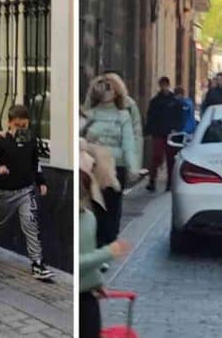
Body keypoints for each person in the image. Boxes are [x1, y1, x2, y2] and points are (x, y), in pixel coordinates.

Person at [0, 105, 53, 280]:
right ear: (9, 124)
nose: (21, 129)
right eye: (17, 125)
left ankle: (37, 263)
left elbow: (35, 162)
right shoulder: (0, 141)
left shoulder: (31, 141)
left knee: (30, 224)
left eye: (24, 125)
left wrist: (41, 181)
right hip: (5, 193)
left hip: (25, 190)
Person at [79, 142, 130, 338]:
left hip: (88, 297)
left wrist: (96, 282)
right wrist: (109, 252)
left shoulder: (88, 218)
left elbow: (87, 256)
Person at [83, 75, 140, 246]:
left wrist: (133, 168)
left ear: (117, 91)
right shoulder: (88, 114)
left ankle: (108, 245)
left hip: (116, 169)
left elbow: (129, 143)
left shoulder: (123, 116)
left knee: (113, 209)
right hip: (93, 167)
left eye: (110, 87)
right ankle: (98, 245)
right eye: (102, 87)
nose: (106, 91)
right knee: (96, 208)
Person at [81, 70, 144, 172]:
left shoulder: (127, 108)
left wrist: (134, 165)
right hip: (93, 163)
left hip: (117, 164)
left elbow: (134, 137)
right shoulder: (90, 112)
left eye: (108, 86)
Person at [145, 77, 182, 192]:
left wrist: (177, 130)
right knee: (157, 157)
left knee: (171, 158)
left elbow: (178, 117)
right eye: (162, 85)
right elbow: (150, 116)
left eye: (165, 85)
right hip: (159, 132)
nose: (164, 87)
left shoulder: (174, 101)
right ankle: (152, 180)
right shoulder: (156, 101)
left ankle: (169, 182)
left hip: (170, 133)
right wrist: (149, 129)